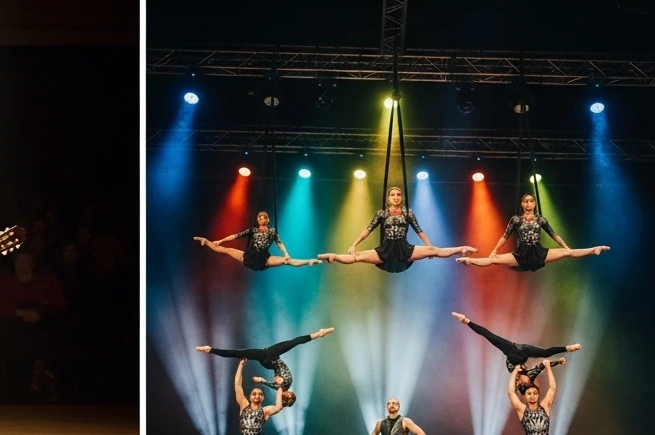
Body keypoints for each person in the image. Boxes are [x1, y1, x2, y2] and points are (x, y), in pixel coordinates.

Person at [319, 187, 474, 272]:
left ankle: (462, 248)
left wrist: (428, 246)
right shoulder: (382, 213)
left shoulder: (408, 213)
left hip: (404, 248)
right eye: (392, 195)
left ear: (401, 197)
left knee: (436, 250)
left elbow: (419, 230)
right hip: (386, 250)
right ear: (388, 198)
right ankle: (333, 256)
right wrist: (354, 245)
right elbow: (367, 230)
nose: (395, 197)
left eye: (398, 194)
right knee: (356, 257)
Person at [456, 194, 610, 270]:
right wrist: (494, 250)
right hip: (521, 254)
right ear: (522, 204)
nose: (528, 204)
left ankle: (594, 249)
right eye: (525, 201)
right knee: (494, 260)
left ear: (534, 203)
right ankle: (469, 261)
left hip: (538, 252)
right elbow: (505, 236)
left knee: (567, 253)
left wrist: (566, 247)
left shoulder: (541, 219)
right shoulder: (516, 219)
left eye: (531, 201)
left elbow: (554, 235)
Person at [195, 327, 335, 408]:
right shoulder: (289, 381)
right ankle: (318, 334)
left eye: (286, 397)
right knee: (293, 342)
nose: (285, 395)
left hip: (265, 361)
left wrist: (261, 380)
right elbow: (281, 377)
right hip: (272, 355)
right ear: (289, 393)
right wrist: (278, 381)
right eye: (288, 395)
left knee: (239, 354)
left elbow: (269, 384)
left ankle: (210, 350)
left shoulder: (279, 390)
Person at [451, 313, 580, 392]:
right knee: (545, 353)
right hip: (522, 351)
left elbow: (511, 390)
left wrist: (516, 374)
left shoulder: (513, 374)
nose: (524, 379)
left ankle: (465, 321)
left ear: (518, 382)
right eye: (526, 381)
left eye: (521, 382)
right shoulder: (530, 374)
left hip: (510, 350)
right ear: (529, 381)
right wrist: (558, 361)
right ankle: (568, 348)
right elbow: (543, 365)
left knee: (489, 336)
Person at [193, 211, 321, 270]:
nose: (262, 219)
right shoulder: (253, 230)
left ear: (268, 220)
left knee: (287, 261)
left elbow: (280, 243)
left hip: (264, 259)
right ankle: (206, 241)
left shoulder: (272, 231)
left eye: (264, 217)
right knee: (226, 250)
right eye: (260, 217)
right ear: (257, 220)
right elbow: (235, 235)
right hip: (249, 256)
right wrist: (220, 240)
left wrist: (286, 254)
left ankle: (309, 261)